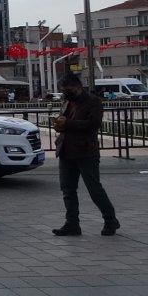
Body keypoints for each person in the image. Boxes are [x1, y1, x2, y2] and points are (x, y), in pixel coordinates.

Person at [52, 74, 119, 236]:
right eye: (62, 90)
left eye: (68, 90)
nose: (65, 93)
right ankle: (72, 224)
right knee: (67, 189)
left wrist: (67, 124)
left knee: (94, 188)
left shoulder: (93, 101)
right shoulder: (67, 101)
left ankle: (110, 220)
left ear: (78, 87)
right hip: (66, 149)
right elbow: (65, 120)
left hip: (85, 151)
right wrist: (59, 125)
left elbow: (93, 124)